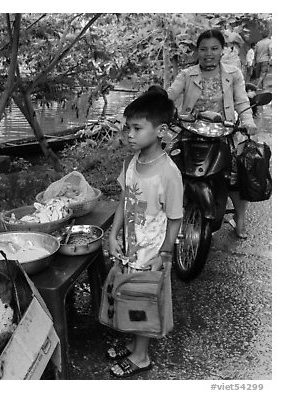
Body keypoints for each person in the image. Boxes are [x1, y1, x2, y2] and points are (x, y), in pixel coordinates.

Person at [106, 87, 183, 378]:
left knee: (145, 301)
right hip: (129, 249)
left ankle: (141, 356)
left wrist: (164, 254)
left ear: (160, 130)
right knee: (129, 297)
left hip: (152, 254)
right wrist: (113, 235)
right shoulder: (131, 163)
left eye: (137, 128)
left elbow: (175, 219)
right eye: (128, 128)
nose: (130, 134)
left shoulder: (169, 173)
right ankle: (133, 341)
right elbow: (124, 202)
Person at [167, 29, 257, 239]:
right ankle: (169, 213)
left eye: (214, 48)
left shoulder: (233, 74)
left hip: (223, 131)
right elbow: (171, 94)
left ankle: (240, 220)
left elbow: (242, 100)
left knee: (236, 173)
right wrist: (157, 101)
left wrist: (248, 121)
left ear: (222, 50)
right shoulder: (186, 75)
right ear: (197, 51)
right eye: (204, 49)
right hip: (190, 129)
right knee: (170, 163)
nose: (209, 53)